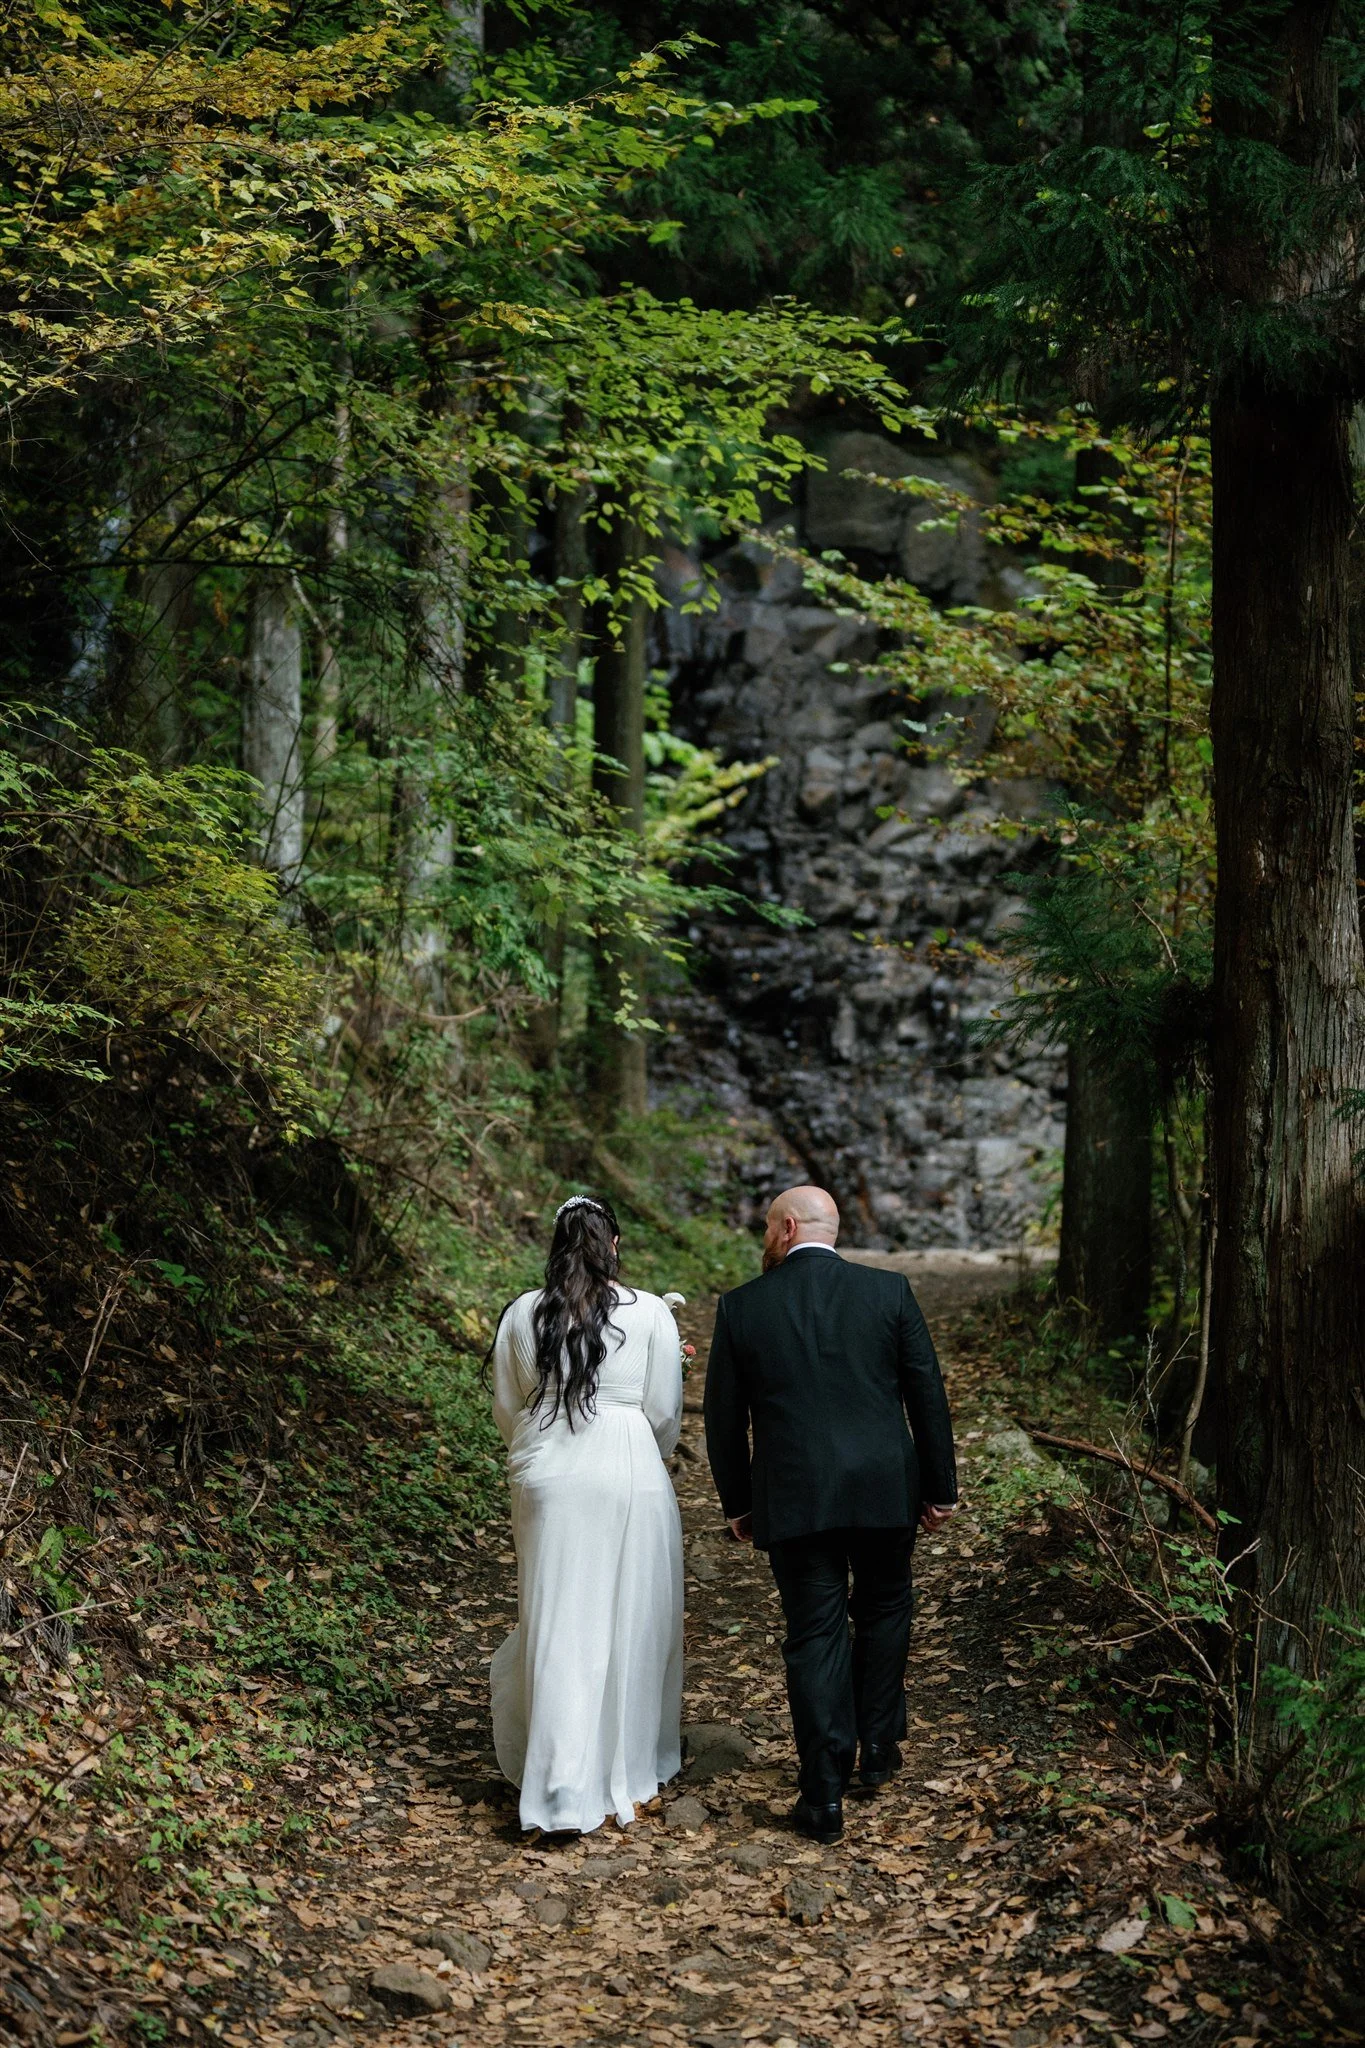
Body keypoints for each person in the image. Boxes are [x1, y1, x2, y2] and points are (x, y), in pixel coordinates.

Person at [703, 1185, 957, 1844]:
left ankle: (822, 1795)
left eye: (766, 1228)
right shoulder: (888, 1293)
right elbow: (926, 1393)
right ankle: (877, 1748)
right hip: (882, 1488)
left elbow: (724, 1421)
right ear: (828, 1229)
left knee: (814, 1632)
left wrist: (739, 1503)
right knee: (883, 1608)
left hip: (794, 1494)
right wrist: (939, 1487)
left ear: (786, 1228)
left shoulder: (741, 1308)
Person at [488, 1195, 686, 1835]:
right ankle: (622, 1767)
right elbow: (663, 1411)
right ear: (614, 1246)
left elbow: (508, 1405)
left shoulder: (523, 1312)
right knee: (633, 1616)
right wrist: (639, 1454)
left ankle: (557, 1788)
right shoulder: (650, 1311)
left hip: (549, 1469)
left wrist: (543, 1451)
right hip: (629, 1468)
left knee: (557, 1619)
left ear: (557, 1244)